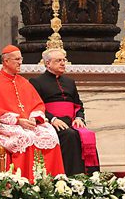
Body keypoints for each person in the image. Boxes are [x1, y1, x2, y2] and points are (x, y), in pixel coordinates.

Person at [0, 45, 64, 180]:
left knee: (50, 135)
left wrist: (34, 117)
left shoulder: (23, 82)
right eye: (16, 59)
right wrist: (18, 120)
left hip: (27, 123)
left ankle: (50, 182)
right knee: (25, 138)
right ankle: (23, 182)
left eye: (21, 59)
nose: (20, 62)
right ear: (6, 61)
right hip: (0, 126)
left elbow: (37, 105)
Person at [29, 47, 99, 175]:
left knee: (87, 135)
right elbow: (36, 106)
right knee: (69, 135)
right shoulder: (36, 82)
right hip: (50, 123)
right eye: (58, 60)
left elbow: (78, 105)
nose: (62, 63)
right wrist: (52, 119)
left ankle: (91, 177)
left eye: (64, 60)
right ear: (47, 63)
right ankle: (72, 177)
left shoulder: (69, 82)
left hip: (71, 121)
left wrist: (79, 118)